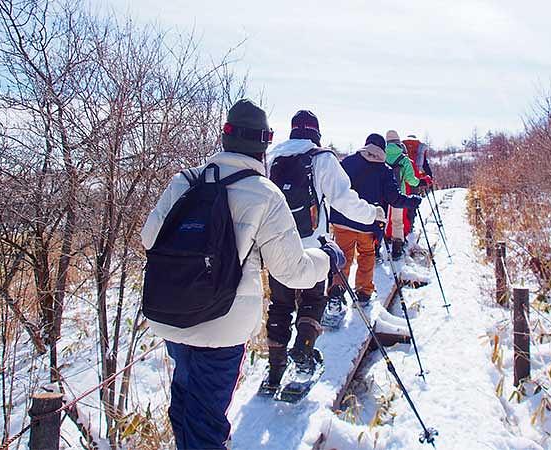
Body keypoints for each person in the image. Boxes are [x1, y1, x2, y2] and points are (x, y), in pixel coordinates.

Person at [140, 99, 346, 450]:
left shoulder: (185, 181)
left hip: (172, 316)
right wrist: (327, 257)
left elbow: (148, 238)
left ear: (225, 136)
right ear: (264, 142)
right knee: (206, 421)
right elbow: (293, 272)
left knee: (186, 407)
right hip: (223, 327)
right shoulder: (265, 194)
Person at [262, 110, 384, 391]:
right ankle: (303, 356)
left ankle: (275, 369)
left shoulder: (274, 158)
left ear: (292, 130)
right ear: (316, 132)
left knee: (279, 306)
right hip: (312, 247)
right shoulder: (321, 159)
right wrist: (372, 214)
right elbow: (344, 199)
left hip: (276, 247)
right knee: (312, 300)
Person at [325, 133, 422, 323]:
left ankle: (335, 296)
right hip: (368, 223)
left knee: (342, 258)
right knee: (367, 256)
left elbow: (334, 189)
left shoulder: (348, 162)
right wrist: (413, 202)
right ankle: (363, 293)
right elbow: (394, 198)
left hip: (342, 220)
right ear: (382, 150)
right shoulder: (384, 170)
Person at [383, 130, 427, 259]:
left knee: (381, 221)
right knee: (397, 222)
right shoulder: (404, 159)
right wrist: (421, 181)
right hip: (398, 194)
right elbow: (411, 181)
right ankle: (397, 249)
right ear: (398, 142)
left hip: (382, 195)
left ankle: (376, 248)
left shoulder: (380, 156)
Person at [402, 134, 434, 228]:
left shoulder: (402, 145)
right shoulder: (420, 147)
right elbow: (424, 164)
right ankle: (410, 224)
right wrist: (429, 177)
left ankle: (402, 226)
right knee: (413, 201)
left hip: (402, 178)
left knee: (401, 202)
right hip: (415, 179)